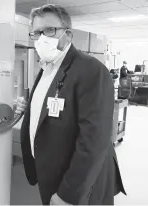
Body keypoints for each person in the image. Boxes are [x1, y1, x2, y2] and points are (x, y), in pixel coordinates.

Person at [16, 4, 126, 205]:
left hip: (81, 184)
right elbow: (56, 109)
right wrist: (30, 109)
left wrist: (68, 195)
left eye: (50, 30)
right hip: (52, 171)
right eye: (37, 32)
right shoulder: (47, 68)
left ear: (68, 34)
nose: (42, 38)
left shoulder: (91, 70)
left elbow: (94, 141)